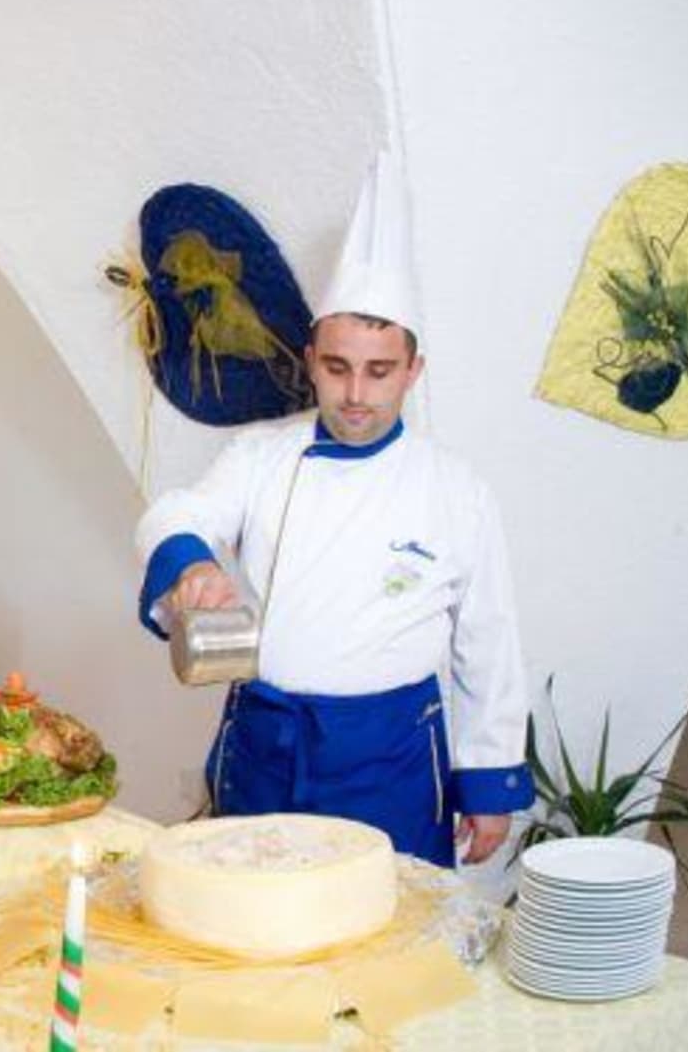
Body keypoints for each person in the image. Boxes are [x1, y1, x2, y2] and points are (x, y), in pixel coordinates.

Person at [134, 155, 529, 868]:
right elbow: (175, 513)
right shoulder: (260, 457)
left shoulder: (457, 491)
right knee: (252, 916)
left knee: (389, 922)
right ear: (312, 358)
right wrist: (193, 565)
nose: (356, 395)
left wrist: (489, 783)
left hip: (392, 757)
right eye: (338, 367)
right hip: (264, 744)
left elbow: (488, 644)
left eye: (380, 371)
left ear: (413, 370)